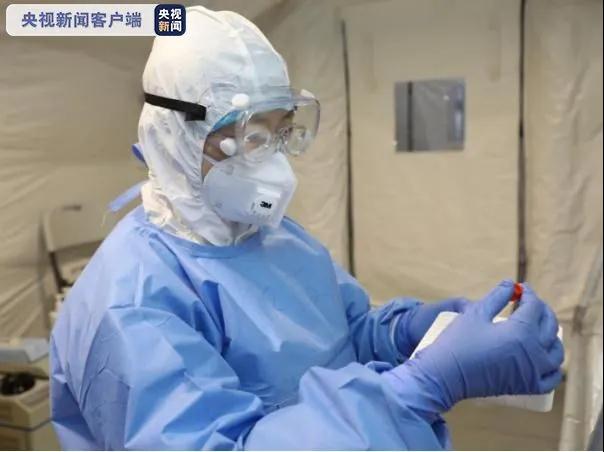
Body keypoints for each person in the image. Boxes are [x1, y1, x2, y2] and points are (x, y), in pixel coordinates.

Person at [50, 6, 564, 450]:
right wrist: (421, 387)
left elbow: (341, 338)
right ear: (177, 135)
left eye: (280, 132)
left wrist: (406, 333)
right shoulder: (130, 305)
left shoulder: (272, 236)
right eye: (251, 138)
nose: (274, 163)